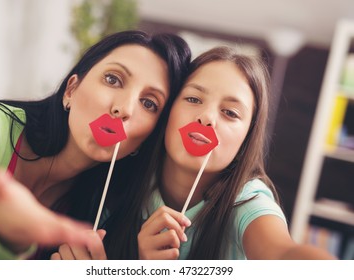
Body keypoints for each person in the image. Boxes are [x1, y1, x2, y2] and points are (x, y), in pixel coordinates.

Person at [52, 45, 335, 260]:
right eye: (193, 98)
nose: (208, 118)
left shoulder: (247, 203)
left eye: (230, 113)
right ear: (167, 111)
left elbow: (283, 254)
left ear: (246, 139)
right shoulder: (119, 173)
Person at [0, 30, 191, 259]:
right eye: (113, 79)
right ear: (71, 89)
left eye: (149, 103)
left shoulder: (100, 217)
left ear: (146, 139)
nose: (124, 109)